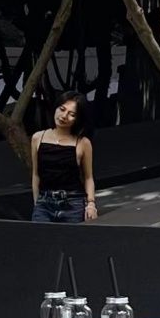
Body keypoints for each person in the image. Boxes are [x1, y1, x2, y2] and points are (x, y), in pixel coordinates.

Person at [31, 91, 97, 223]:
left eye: (72, 114)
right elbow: (36, 174)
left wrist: (91, 204)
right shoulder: (37, 138)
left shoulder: (83, 143)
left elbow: (88, 177)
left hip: (73, 203)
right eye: (62, 109)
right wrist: (37, 203)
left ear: (77, 119)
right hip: (44, 203)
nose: (64, 116)